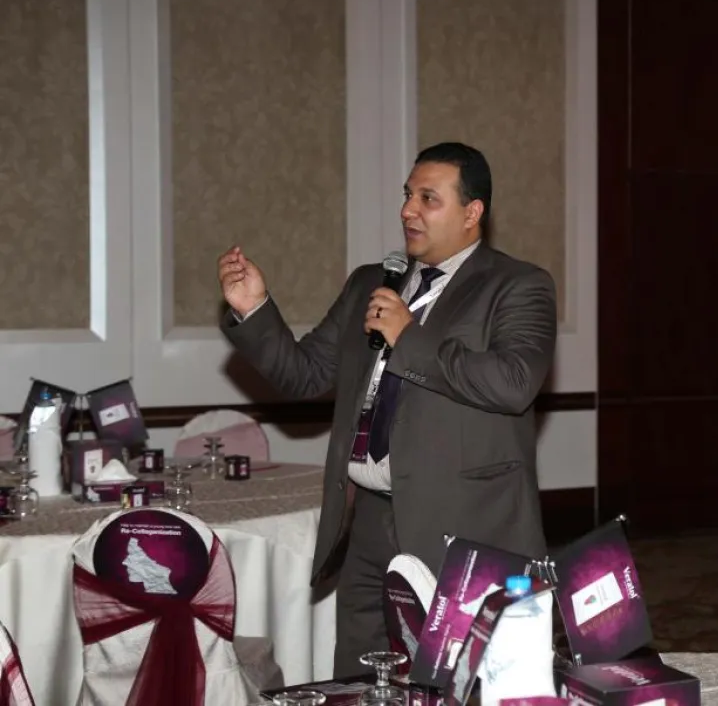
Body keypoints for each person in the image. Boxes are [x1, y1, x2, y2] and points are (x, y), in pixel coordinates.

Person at [217, 142, 557, 675]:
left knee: (459, 680)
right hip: (369, 523)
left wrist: (408, 337)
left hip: (464, 524)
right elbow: (305, 374)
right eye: (407, 195)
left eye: (428, 198)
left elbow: (513, 383)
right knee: (361, 677)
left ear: (472, 212)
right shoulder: (371, 283)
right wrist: (253, 309)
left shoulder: (516, 285)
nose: (408, 210)